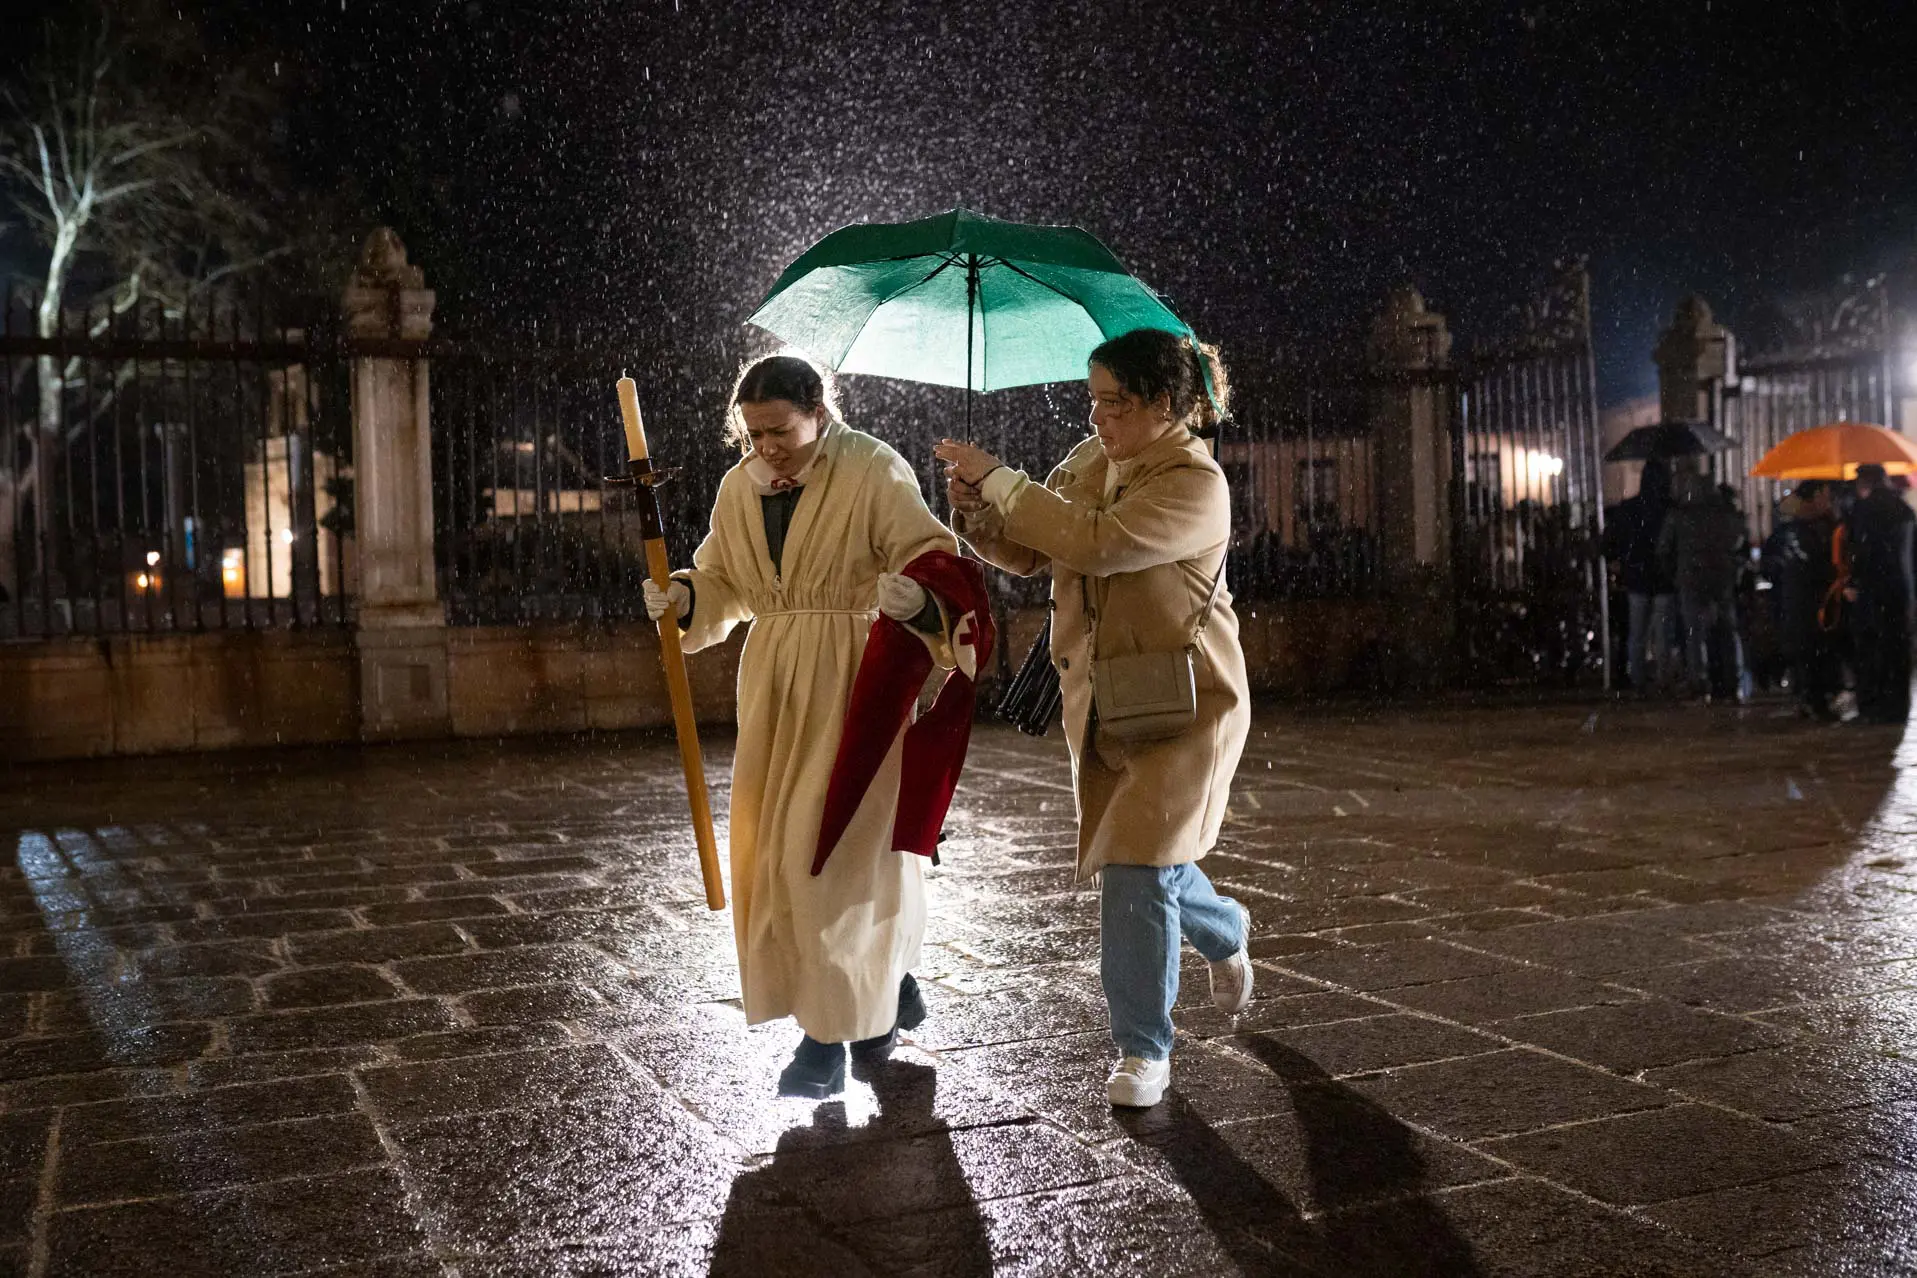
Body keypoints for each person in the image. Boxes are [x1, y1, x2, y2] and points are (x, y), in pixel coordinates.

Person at [934, 328, 1253, 1110]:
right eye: (1095, 399)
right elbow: (1036, 552)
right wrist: (978, 515)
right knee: (1150, 854)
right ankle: (1225, 930)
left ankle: (1142, 1049)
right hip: (1105, 696)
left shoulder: (1192, 481)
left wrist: (1003, 479)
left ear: (1167, 405)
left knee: (1133, 865)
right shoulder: (1086, 460)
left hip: (1185, 701)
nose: (1099, 416)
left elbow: (1097, 543)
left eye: (1116, 402)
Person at [643, 354, 971, 1099]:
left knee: (826, 856)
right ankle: (883, 987)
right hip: (775, 682)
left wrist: (917, 599)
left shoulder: (872, 468)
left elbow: (930, 557)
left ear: (818, 411)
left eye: (780, 431)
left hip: (859, 676)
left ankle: (823, 1043)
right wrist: (687, 599)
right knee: (780, 855)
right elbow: (726, 579)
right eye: (753, 434)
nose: (768, 449)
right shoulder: (737, 488)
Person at [1657, 467, 1748, 701]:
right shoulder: (1723, 514)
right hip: (1721, 578)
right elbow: (1738, 540)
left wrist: (1675, 573)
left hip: (1690, 578)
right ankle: (1730, 680)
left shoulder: (1678, 515)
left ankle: (1699, 681)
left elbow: (1664, 549)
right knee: (1726, 630)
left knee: (1693, 633)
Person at [1843, 463, 1915, 724]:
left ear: (1864, 483)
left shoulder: (1864, 509)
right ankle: (1898, 707)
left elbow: (1862, 550)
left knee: (1871, 650)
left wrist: (1853, 581)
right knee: (1897, 650)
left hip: (1873, 592)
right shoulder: (1905, 510)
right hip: (1901, 592)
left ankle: (1873, 708)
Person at [1764, 480, 1842, 719]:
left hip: (1797, 599)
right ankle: (1814, 700)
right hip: (1809, 600)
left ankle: (1809, 698)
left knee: (1807, 650)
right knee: (1813, 649)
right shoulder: (1810, 528)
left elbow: (1770, 565)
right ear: (1815, 495)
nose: (1829, 499)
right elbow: (1820, 565)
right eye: (1826, 494)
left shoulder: (1790, 526)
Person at [1603, 458, 1676, 693]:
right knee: (1663, 633)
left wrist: (1620, 560)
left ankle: (1638, 678)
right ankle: (1663, 677)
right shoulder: (1670, 509)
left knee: (1637, 633)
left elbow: (1612, 540)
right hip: (1664, 577)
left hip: (1637, 575)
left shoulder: (1629, 508)